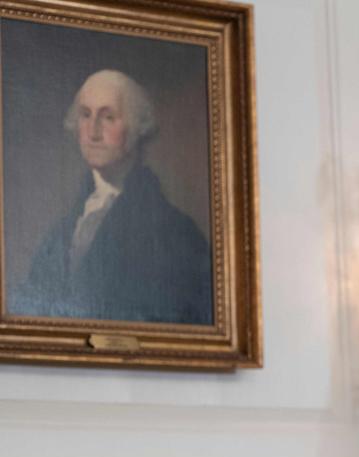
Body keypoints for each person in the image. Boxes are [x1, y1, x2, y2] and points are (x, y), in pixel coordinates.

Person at [10, 69, 212, 324]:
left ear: (137, 127)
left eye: (108, 117)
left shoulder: (177, 234)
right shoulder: (58, 236)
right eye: (85, 115)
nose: (93, 131)